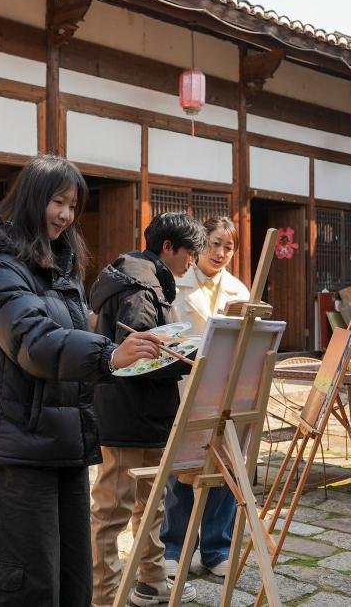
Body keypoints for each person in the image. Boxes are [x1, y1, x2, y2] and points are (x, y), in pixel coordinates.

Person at [0, 155, 167, 606]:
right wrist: (107, 354)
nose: (66, 215)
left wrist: (122, 347)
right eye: (58, 202)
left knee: (69, 580)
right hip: (15, 446)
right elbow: (33, 340)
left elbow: (68, 332)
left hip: (62, 442)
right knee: (23, 586)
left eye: (73, 206)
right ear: (31, 199)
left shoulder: (56, 261)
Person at [89, 212, 208, 607]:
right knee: (114, 509)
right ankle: (103, 596)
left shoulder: (148, 279)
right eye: (190, 253)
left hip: (146, 412)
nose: (192, 262)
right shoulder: (139, 287)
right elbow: (140, 358)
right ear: (168, 247)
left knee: (150, 504)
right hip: (127, 414)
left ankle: (152, 583)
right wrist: (189, 359)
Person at [161, 217, 250, 579]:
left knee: (225, 467)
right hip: (185, 385)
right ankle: (174, 547)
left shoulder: (239, 291)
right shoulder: (175, 283)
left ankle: (217, 549)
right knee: (180, 469)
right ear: (200, 244)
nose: (220, 253)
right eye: (215, 243)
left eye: (229, 247)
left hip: (226, 390)